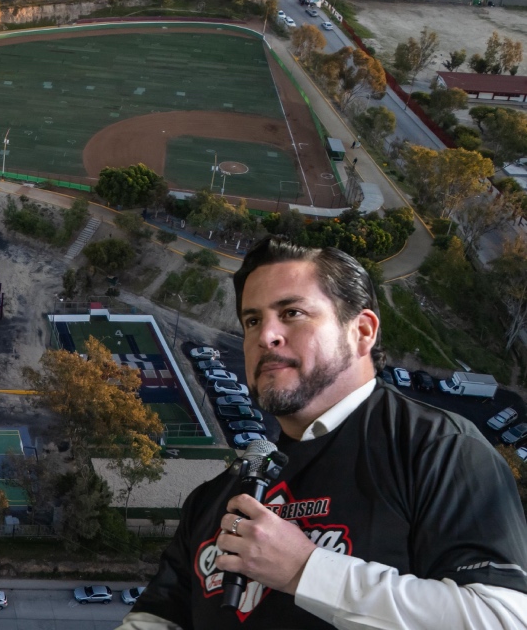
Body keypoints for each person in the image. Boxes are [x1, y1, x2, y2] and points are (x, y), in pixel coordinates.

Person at [120, 236, 527, 629]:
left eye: (292, 313)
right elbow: (156, 616)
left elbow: (502, 618)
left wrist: (306, 570)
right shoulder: (219, 496)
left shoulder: (441, 450)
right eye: (252, 320)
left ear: (362, 331)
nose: (265, 336)